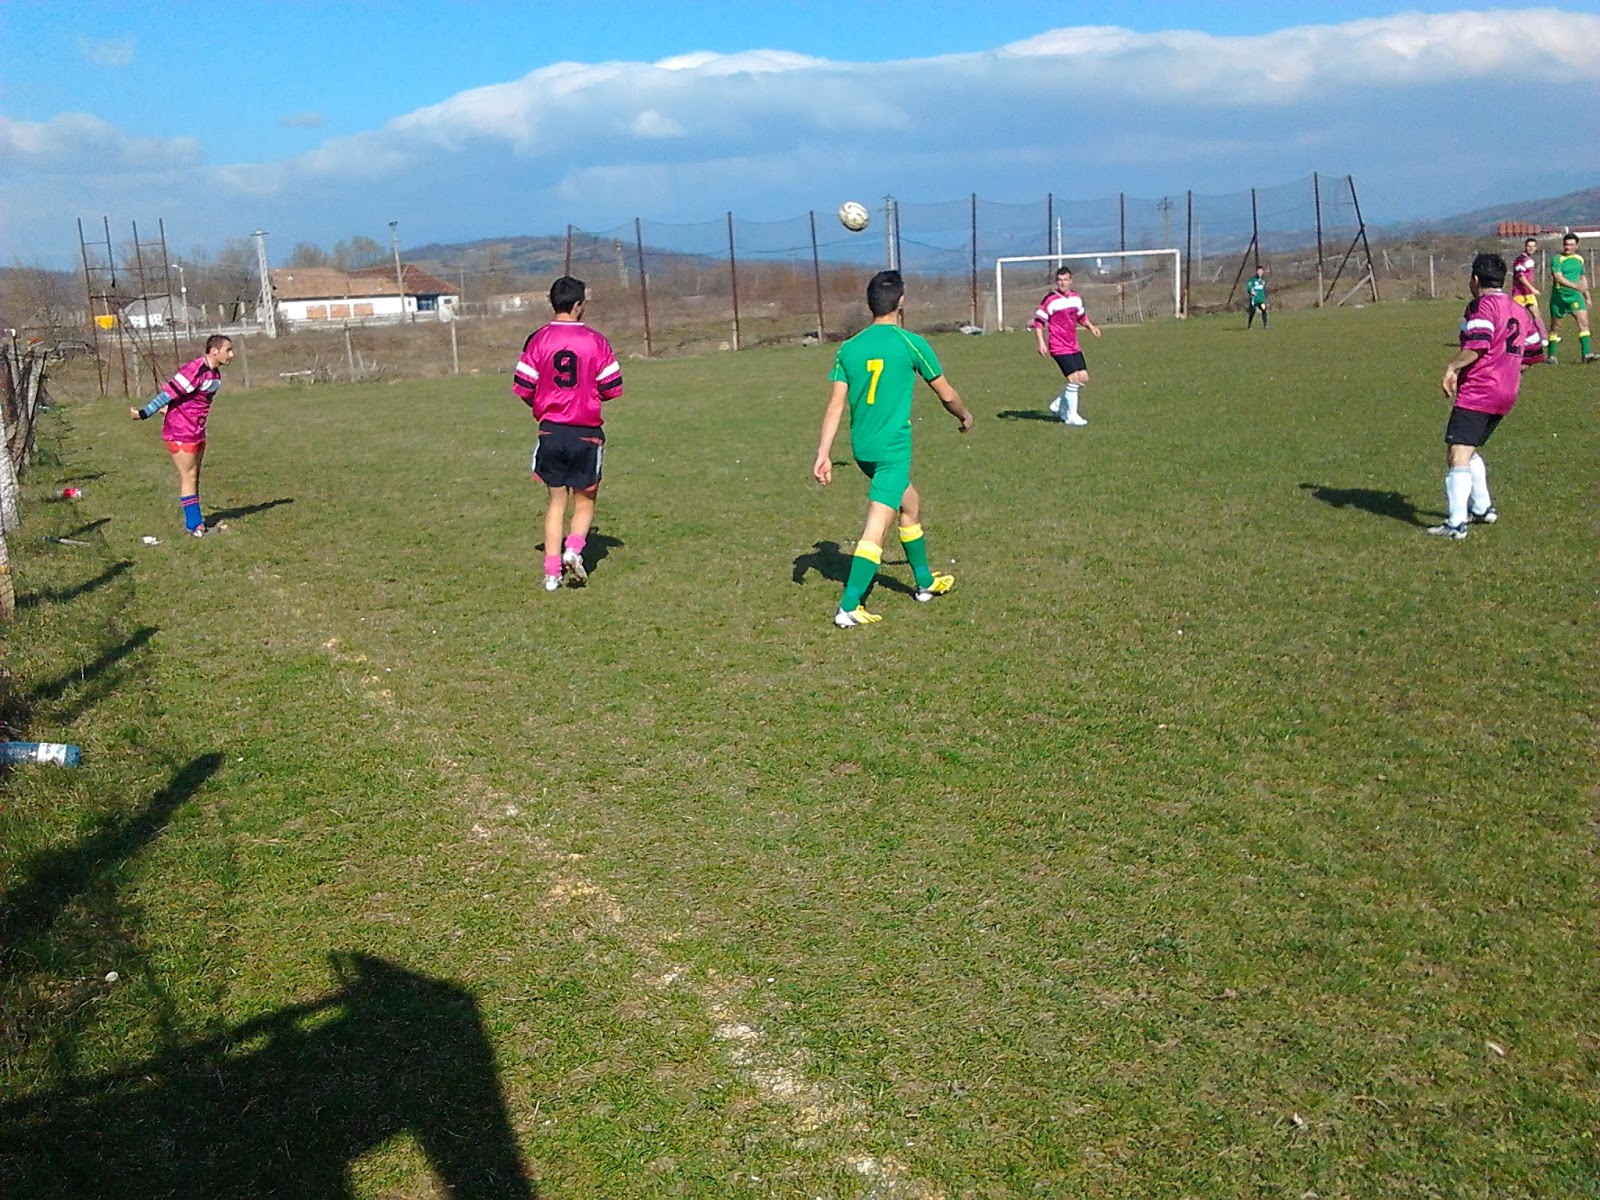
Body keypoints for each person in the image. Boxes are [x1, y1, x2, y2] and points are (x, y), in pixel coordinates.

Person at [812, 270, 974, 627]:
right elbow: (946, 394)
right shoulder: (910, 343)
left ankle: (924, 582)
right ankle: (849, 606)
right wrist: (964, 416)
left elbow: (836, 404)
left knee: (910, 504)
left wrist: (824, 453)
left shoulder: (849, 348)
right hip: (892, 450)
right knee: (877, 525)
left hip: (863, 449)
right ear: (901, 302)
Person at [511, 276, 623, 591]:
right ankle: (573, 549)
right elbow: (612, 388)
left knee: (556, 502)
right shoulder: (596, 341)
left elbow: (523, 387)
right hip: (586, 433)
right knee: (585, 501)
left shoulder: (538, 340)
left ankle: (551, 574)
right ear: (578, 305)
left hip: (551, 431)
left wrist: (542, 405)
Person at [1428, 253, 1523, 540]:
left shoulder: (1482, 306)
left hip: (1480, 389)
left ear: (1475, 279)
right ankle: (1482, 508)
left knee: (1457, 450)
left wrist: (1452, 367)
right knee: (1469, 448)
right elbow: (1532, 353)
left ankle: (1456, 523)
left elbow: (1477, 344)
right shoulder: (1519, 309)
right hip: (1507, 391)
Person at [128, 334, 234, 537]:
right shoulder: (195, 369)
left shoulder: (215, 374)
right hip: (180, 431)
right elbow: (168, 394)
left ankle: (196, 522)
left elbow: (191, 400)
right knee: (189, 476)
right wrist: (144, 413)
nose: (231, 354)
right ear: (214, 351)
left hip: (196, 429)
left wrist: (171, 410)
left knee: (194, 476)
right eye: (228, 350)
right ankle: (194, 526)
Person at [1030, 266, 1101, 425]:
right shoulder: (1050, 300)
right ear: (1056, 282)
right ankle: (1071, 416)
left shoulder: (1076, 297)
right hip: (1058, 345)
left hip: (1073, 344)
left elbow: (1081, 317)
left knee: (1083, 378)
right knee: (1074, 379)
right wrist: (1041, 342)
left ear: (1070, 281)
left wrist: (1091, 328)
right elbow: (1038, 323)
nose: (1062, 283)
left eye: (1065, 280)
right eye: (1060, 280)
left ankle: (1058, 404)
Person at [1546, 232, 1594, 364]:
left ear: (1577, 246)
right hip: (1559, 298)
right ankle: (1551, 356)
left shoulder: (1579, 259)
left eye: (1571, 245)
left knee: (1584, 323)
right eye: (1566, 245)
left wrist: (1587, 296)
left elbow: (1582, 277)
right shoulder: (1557, 259)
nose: (1568, 247)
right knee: (1555, 327)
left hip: (1575, 297)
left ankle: (1586, 354)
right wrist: (1576, 287)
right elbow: (1558, 277)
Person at [1510, 236, 1542, 324]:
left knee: (1537, 316)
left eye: (1533, 246)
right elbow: (1520, 276)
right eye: (1529, 246)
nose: (1531, 248)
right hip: (1519, 293)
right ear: (1525, 247)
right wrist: (1532, 289)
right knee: (1518, 319)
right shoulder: (1521, 260)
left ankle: (1540, 332)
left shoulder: (1529, 259)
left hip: (1528, 293)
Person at [1245, 265, 1269, 329]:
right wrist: (1251, 292)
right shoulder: (1253, 280)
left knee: (1264, 310)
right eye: (1259, 271)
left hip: (1261, 300)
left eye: (1261, 271)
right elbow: (1249, 287)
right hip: (1254, 299)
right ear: (1256, 272)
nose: (1260, 272)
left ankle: (1265, 325)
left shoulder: (1263, 280)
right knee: (1252, 312)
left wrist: (1264, 295)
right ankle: (1249, 325)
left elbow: (1264, 289)